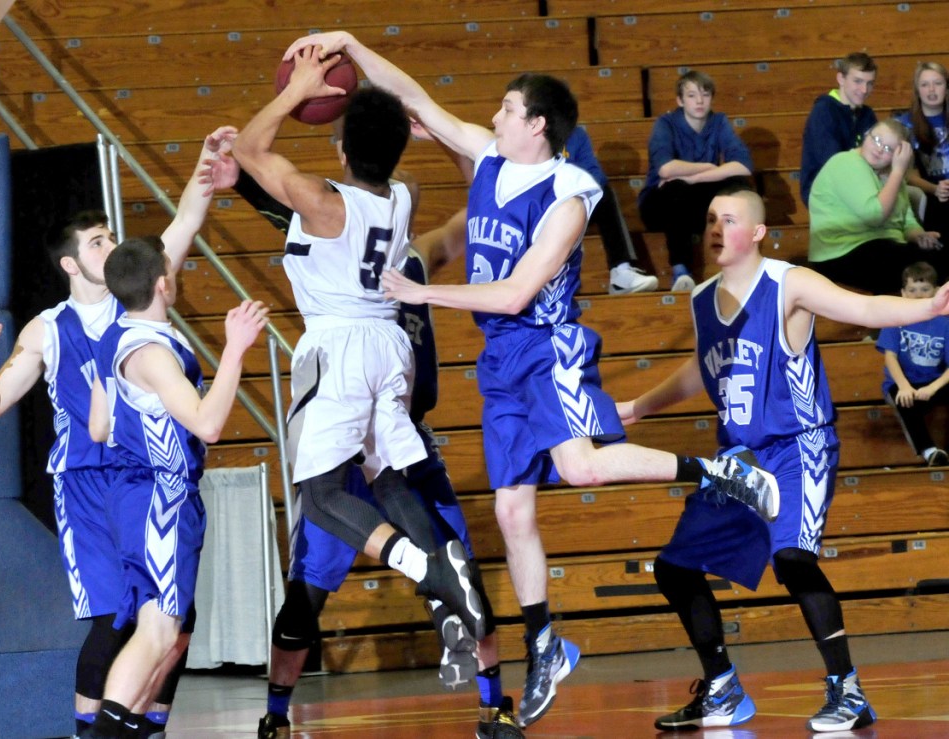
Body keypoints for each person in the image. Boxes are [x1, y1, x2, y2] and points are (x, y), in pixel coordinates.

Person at [281, 31, 783, 728]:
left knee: (578, 469)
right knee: (513, 511)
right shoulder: (489, 155)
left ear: (538, 125)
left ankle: (716, 472)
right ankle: (544, 641)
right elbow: (414, 96)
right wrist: (351, 45)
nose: (494, 117)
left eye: (508, 108)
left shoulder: (569, 195)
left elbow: (517, 293)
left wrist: (426, 295)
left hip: (549, 348)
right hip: (499, 361)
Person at [213, 151, 522, 736]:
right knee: (308, 594)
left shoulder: (415, 250)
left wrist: (493, 174)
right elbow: (297, 215)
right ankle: (276, 715)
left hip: (401, 434)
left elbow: (465, 223)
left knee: (461, 571)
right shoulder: (344, 240)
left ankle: (492, 706)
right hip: (358, 435)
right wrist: (248, 190)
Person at [619, 187, 949, 732]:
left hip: (799, 444)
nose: (715, 228)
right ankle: (721, 688)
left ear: (757, 232)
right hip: (741, 456)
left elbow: (862, 307)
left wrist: (929, 307)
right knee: (674, 568)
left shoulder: (787, 282)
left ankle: (848, 691)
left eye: (729, 219)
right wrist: (639, 405)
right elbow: (702, 369)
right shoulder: (701, 296)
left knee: (793, 560)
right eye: (709, 220)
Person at [0, 127, 236, 739]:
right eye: (97, 240)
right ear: (70, 263)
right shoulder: (47, 327)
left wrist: (205, 159)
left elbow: (186, 222)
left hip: (147, 473)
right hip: (89, 482)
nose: (112, 244)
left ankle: (147, 726)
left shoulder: (135, 296)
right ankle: (90, 731)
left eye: (112, 235)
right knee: (118, 616)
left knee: (175, 618)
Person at [229, 46, 487, 645]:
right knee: (389, 479)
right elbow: (442, 173)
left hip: (338, 348)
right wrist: (423, 134)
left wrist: (300, 89)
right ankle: (447, 573)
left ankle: (425, 569)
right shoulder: (405, 195)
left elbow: (247, 151)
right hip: (387, 345)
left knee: (321, 498)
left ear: (341, 149)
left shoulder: (323, 202)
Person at [81, 239, 268, 739]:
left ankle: (129, 731)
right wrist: (234, 348)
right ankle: (104, 734)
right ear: (163, 284)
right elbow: (208, 424)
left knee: (173, 631)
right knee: (159, 630)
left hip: (132, 493)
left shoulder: (115, 334)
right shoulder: (153, 354)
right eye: (172, 269)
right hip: (159, 494)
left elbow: (99, 427)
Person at [637, 70, 753, 291]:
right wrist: (708, 167)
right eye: (691, 95)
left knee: (740, 186)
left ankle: (740, 263)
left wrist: (696, 177)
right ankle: (681, 270)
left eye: (705, 94)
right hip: (660, 205)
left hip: (697, 200)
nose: (699, 101)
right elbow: (665, 168)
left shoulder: (718, 121)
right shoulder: (666, 124)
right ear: (680, 100)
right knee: (676, 188)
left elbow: (743, 165)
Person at [807, 118, 945, 295]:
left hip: (884, 246)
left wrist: (919, 236)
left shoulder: (892, 177)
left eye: (888, 149)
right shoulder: (845, 163)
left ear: (898, 155)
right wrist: (897, 172)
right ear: (866, 135)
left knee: (939, 255)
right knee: (899, 264)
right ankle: (897, 321)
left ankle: (929, 320)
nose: (879, 149)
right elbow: (874, 215)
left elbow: (907, 222)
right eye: (877, 140)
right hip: (842, 251)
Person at [562, 126, 658, 294]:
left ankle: (621, 273)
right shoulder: (529, 134)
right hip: (542, 205)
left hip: (574, 200)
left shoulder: (576, 133)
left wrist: (576, 193)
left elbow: (596, 174)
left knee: (604, 193)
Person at [876, 261, 949, 466]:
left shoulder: (945, 323)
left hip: (934, 382)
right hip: (903, 384)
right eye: (912, 290)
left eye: (925, 289)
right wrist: (904, 386)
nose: (918, 295)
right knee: (904, 402)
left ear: (936, 292)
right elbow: (890, 356)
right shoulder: (895, 319)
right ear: (903, 293)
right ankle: (929, 450)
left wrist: (933, 387)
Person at [800, 52, 879, 206]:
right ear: (841, 79)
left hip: (859, 185)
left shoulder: (867, 114)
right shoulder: (824, 111)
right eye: (857, 81)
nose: (864, 90)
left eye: (870, 83)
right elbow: (834, 164)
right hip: (825, 191)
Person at [895, 61, 949, 237]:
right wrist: (936, 189)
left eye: (938, 83)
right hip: (930, 194)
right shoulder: (905, 125)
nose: (931, 90)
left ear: (946, 87)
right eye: (925, 85)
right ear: (917, 90)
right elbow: (908, 174)